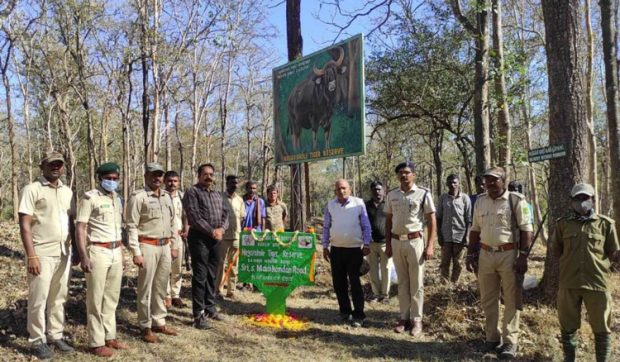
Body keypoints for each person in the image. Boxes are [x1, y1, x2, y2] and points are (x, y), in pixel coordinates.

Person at [465, 166, 532, 359]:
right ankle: (492, 338)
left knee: (511, 298)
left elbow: (526, 229)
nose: (490, 184)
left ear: (503, 180)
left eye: (494, 180)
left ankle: (510, 342)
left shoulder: (517, 200)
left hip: (509, 255)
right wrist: (470, 254)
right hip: (485, 254)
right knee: (488, 298)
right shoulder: (480, 201)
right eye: (487, 180)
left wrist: (523, 256)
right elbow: (475, 230)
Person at [552, 183, 619, 362]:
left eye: (585, 198)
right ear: (571, 201)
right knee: (568, 327)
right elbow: (557, 250)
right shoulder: (562, 224)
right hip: (569, 283)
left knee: (602, 327)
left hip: (597, 282)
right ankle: (569, 359)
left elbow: (612, 252)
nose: (582, 202)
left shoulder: (605, 224)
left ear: (593, 200)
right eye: (578, 198)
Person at [18, 151, 76, 359]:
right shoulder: (31, 189)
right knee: (38, 298)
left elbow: (72, 223)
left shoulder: (68, 192)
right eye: (51, 164)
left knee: (59, 297)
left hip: (63, 251)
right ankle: (37, 339)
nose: (56, 167)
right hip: (41, 252)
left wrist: (76, 250)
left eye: (59, 164)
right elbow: (24, 225)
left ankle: (55, 334)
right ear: (42, 166)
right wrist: (31, 255)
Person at [75, 162, 129, 357]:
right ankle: (95, 342)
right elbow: (81, 227)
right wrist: (84, 256)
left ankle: (110, 336)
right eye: (108, 179)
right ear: (100, 178)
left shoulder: (118, 199)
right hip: (97, 251)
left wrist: (122, 255)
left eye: (115, 179)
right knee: (95, 299)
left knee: (112, 298)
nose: (112, 182)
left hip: (115, 250)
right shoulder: (90, 198)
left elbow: (118, 229)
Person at [127, 162, 179, 343]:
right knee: (146, 288)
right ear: (146, 177)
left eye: (159, 175)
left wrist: (173, 245)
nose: (157, 178)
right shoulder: (138, 197)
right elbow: (131, 225)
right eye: (153, 175)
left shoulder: (166, 197)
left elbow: (173, 222)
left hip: (165, 246)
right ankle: (145, 325)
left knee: (161, 286)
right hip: (147, 246)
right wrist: (136, 251)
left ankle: (159, 321)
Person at [385, 161, 436, 337]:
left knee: (417, 283)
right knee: (402, 282)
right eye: (400, 173)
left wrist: (430, 245)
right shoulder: (392, 195)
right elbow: (388, 220)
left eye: (407, 172)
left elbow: (431, 220)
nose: (403, 175)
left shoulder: (423, 194)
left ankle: (417, 319)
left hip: (416, 242)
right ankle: (403, 318)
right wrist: (389, 243)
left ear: (414, 175)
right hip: (397, 241)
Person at [182, 163, 229, 329]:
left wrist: (221, 229)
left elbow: (226, 214)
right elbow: (194, 216)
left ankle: (210, 308)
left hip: (216, 239)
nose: (209, 177)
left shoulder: (217, 194)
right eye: (205, 174)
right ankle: (198, 314)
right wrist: (212, 231)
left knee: (212, 274)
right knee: (200, 276)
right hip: (199, 238)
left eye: (211, 174)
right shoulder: (192, 192)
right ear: (199, 175)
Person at [322, 179, 372, 327]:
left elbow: (365, 225)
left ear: (350, 189)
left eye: (344, 188)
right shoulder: (330, 205)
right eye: (338, 189)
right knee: (339, 283)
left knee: (355, 283)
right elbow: (326, 226)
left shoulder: (358, 203)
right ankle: (345, 312)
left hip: (355, 249)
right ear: (335, 191)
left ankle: (358, 315)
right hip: (336, 250)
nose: (341, 191)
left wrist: (367, 243)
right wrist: (325, 246)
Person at [436, 174, 471, 283]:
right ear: (447, 184)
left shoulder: (465, 198)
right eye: (450, 182)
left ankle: (454, 283)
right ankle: (444, 284)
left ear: (459, 183)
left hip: (460, 236)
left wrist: (467, 236)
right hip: (446, 236)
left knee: (458, 263)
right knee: (445, 262)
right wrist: (439, 235)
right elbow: (438, 218)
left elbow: (468, 219)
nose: (452, 185)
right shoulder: (443, 198)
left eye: (455, 182)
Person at [216, 175, 245, 298]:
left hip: (236, 236)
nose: (234, 185)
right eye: (232, 182)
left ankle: (231, 291)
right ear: (227, 183)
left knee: (233, 265)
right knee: (220, 264)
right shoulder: (219, 198)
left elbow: (242, 218)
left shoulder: (240, 200)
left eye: (236, 183)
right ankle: (218, 291)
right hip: (223, 237)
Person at [164, 171, 188, 308]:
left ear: (178, 182)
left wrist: (186, 230)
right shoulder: (160, 196)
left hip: (178, 236)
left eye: (175, 181)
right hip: (165, 237)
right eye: (169, 181)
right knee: (165, 267)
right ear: (165, 181)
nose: (172, 183)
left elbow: (185, 215)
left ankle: (176, 295)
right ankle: (166, 295)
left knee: (177, 267)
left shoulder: (182, 196)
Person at [364, 180, 391, 303]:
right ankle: (375, 294)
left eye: (379, 189)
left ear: (384, 191)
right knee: (373, 269)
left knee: (386, 269)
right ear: (371, 191)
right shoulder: (366, 205)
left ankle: (385, 295)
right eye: (375, 190)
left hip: (386, 243)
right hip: (371, 243)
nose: (377, 192)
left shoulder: (388, 204)